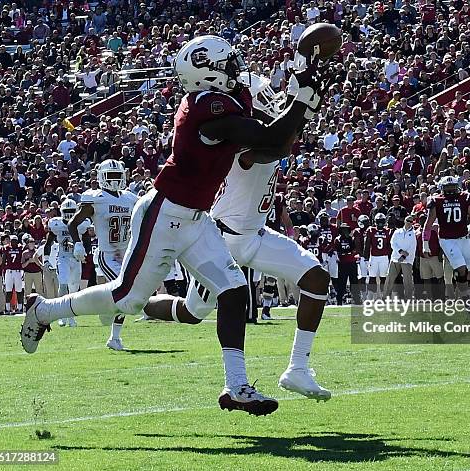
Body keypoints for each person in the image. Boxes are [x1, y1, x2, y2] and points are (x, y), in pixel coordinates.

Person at [21, 36, 326, 417]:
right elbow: (270, 138)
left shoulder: (220, 101)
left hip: (197, 218)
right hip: (165, 214)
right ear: (209, 71)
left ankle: (237, 387)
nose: (236, 69)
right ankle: (45, 310)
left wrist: (303, 76)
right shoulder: (206, 107)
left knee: (233, 291)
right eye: (229, 64)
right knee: (126, 299)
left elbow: (270, 126)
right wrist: (302, 99)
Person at [144, 74, 331, 400]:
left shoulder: (264, 128)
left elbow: (285, 134)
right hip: (224, 242)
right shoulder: (244, 138)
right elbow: (274, 147)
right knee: (191, 314)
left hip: (255, 235)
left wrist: (307, 88)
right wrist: (301, 104)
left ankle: (298, 369)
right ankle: (140, 304)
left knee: (316, 279)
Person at [67, 159, 139, 351]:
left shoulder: (130, 198)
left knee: (126, 294)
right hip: (107, 254)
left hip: (126, 253)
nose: (115, 180)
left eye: (118, 176)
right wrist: (77, 244)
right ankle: (113, 335)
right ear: (101, 177)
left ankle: (107, 312)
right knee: (126, 291)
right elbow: (73, 223)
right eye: (111, 176)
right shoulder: (96, 198)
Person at [423, 176, 470, 300]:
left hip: (464, 238)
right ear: (442, 188)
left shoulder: (464, 197)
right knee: (462, 269)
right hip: (447, 240)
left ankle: (468, 296)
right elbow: (428, 225)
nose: (450, 190)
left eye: (452, 187)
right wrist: (425, 244)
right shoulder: (436, 200)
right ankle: (465, 299)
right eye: (447, 187)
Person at [45, 199, 91, 327]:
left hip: (76, 260)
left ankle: (71, 317)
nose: (70, 214)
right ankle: (61, 315)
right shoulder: (56, 224)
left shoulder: (82, 224)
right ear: (62, 211)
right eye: (67, 211)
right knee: (63, 284)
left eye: (72, 211)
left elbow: (87, 241)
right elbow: (48, 243)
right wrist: (46, 260)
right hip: (63, 258)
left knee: (74, 289)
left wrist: (86, 253)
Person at [384, 215, 416, 298]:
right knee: (390, 278)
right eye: (407, 220)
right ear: (404, 221)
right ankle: (385, 297)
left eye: (411, 221)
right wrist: (400, 251)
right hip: (395, 258)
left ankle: (408, 298)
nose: (409, 223)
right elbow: (393, 243)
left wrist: (404, 257)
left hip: (407, 260)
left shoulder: (413, 234)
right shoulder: (397, 232)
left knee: (407, 280)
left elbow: (412, 248)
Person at [364, 213, 391, 297]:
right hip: (374, 257)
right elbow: (367, 244)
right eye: (379, 221)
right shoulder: (371, 230)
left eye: (381, 221)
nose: (380, 223)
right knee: (372, 277)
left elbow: (389, 246)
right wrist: (366, 257)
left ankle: (384, 296)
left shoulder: (387, 231)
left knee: (383, 277)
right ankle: (372, 296)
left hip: (384, 257)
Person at [335, 223, 361, 305]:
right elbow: (338, 251)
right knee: (342, 283)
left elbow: (354, 250)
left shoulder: (351, 239)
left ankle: (357, 300)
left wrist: (347, 253)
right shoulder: (337, 239)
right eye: (343, 229)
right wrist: (346, 253)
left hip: (352, 263)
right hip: (342, 264)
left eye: (346, 229)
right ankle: (339, 300)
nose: (345, 231)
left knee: (354, 282)